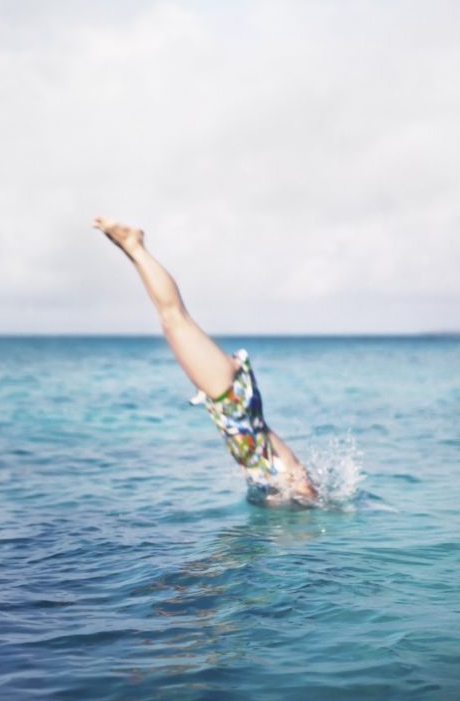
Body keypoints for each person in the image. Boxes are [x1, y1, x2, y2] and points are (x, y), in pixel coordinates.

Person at [94, 216, 318, 505]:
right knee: (174, 318)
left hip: (229, 398)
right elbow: (302, 486)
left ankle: (132, 250)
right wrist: (304, 499)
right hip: (229, 397)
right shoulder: (290, 475)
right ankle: (135, 246)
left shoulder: (277, 470)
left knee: (171, 321)